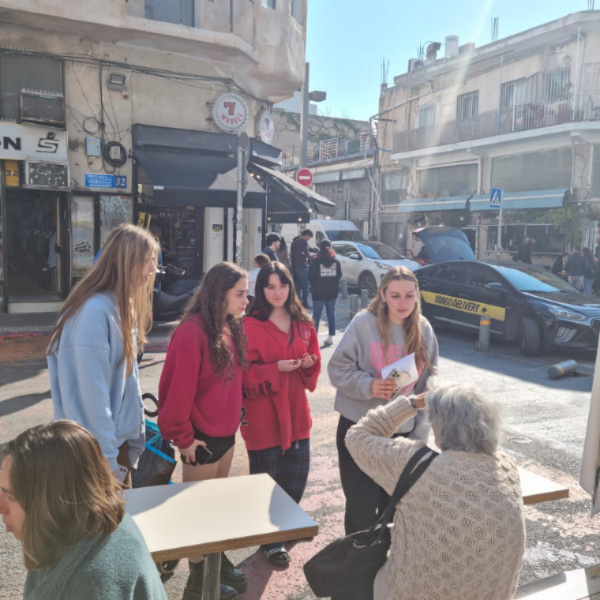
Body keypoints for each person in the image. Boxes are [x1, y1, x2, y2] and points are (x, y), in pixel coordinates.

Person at [345, 383, 526, 600]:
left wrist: (412, 403)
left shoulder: (414, 464)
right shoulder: (507, 467)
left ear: (439, 428)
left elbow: (357, 436)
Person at [158, 262, 249, 600]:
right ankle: (196, 583)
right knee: (197, 514)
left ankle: (214, 563)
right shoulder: (192, 331)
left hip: (225, 435)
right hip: (200, 439)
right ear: (218, 293)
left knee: (213, 508)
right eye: (239, 293)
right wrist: (183, 438)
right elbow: (176, 390)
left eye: (246, 292)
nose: (246, 300)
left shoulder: (228, 326)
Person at [328, 266, 438, 538]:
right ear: (383, 295)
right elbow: (337, 369)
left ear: (417, 296)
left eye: (409, 296)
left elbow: (427, 388)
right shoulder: (363, 323)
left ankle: (387, 571)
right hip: (360, 431)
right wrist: (369, 385)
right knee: (361, 511)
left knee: (394, 509)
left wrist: (419, 435)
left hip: (402, 437)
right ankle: (357, 573)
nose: (403, 303)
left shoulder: (424, 330)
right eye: (396, 295)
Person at [0, 421, 167, 600]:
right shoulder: (102, 516)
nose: (1, 508)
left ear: (54, 499)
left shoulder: (90, 585)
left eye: (11, 495)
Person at [47, 223, 158, 485]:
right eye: (147, 261)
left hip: (111, 451)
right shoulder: (93, 312)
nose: (154, 269)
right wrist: (108, 464)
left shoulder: (118, 306)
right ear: (125, 262)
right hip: (95, 457)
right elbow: (90, 398)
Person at [241, 262, 321, 566]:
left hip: (297, 411)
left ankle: (283, 525)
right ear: (260, 290)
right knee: (265, 478)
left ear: (291, 287)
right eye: (270, 286)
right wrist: (274, 369)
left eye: (283, 285)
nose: (277, 292)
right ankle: (270, 540)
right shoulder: (249, 326)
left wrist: (309, 362)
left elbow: (312, 371)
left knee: (296, 476)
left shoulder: (303, 322)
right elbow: (241, 376)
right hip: (263, 415)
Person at [308, 240, 342, 346]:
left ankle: (314, 339)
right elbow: (339, 275)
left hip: (318, 291)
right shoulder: (336, 262)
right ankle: (331, 337)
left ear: (320, 248)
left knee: (316, 316)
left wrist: (314, 282)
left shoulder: (316, 262)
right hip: (332, 291)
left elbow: (310, 276)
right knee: (331, 313)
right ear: (330, 248)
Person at [291, 228, 314, 309]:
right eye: (309, 237)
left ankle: (298, 302)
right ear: (306, 235)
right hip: (303, 265)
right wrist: (312, 257)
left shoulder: (295, 242)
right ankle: (305, 303)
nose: (309, 239)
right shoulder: (303, 242)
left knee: (298, 285)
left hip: (296, 266)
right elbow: (306, 253)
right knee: (306, 285)